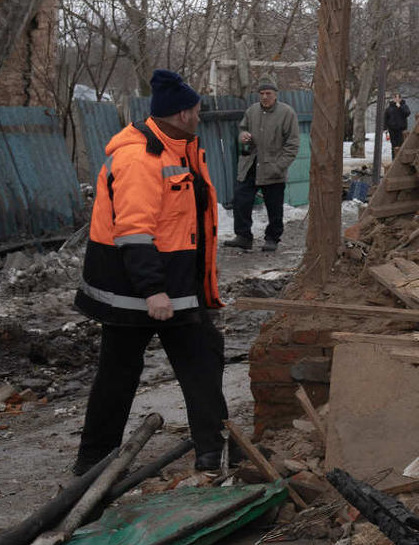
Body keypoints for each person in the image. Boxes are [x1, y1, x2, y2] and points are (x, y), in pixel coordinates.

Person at [75, 69, 229, 474]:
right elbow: (134, 232)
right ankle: (93, 462)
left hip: (176, 286)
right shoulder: (139, 158)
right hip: (138, 290)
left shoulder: (182, 148)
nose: (200, 116)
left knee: (203, 361)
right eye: (196, 110)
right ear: (181, 114)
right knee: (118, 373)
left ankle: (212, 452)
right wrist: (153, 291)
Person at [231, 77, 299, 252]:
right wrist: (243, 135)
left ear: (276, 94)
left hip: (273, 166)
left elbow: (292, 144)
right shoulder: (252, 111)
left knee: (274, 206)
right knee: (241, 200)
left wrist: (279, 166)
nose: (265, 97)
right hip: (251, 163)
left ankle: (272, 238)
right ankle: (243, 236)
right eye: (261, 93)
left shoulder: (287, 113)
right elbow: (241, 128)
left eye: (268, 93)